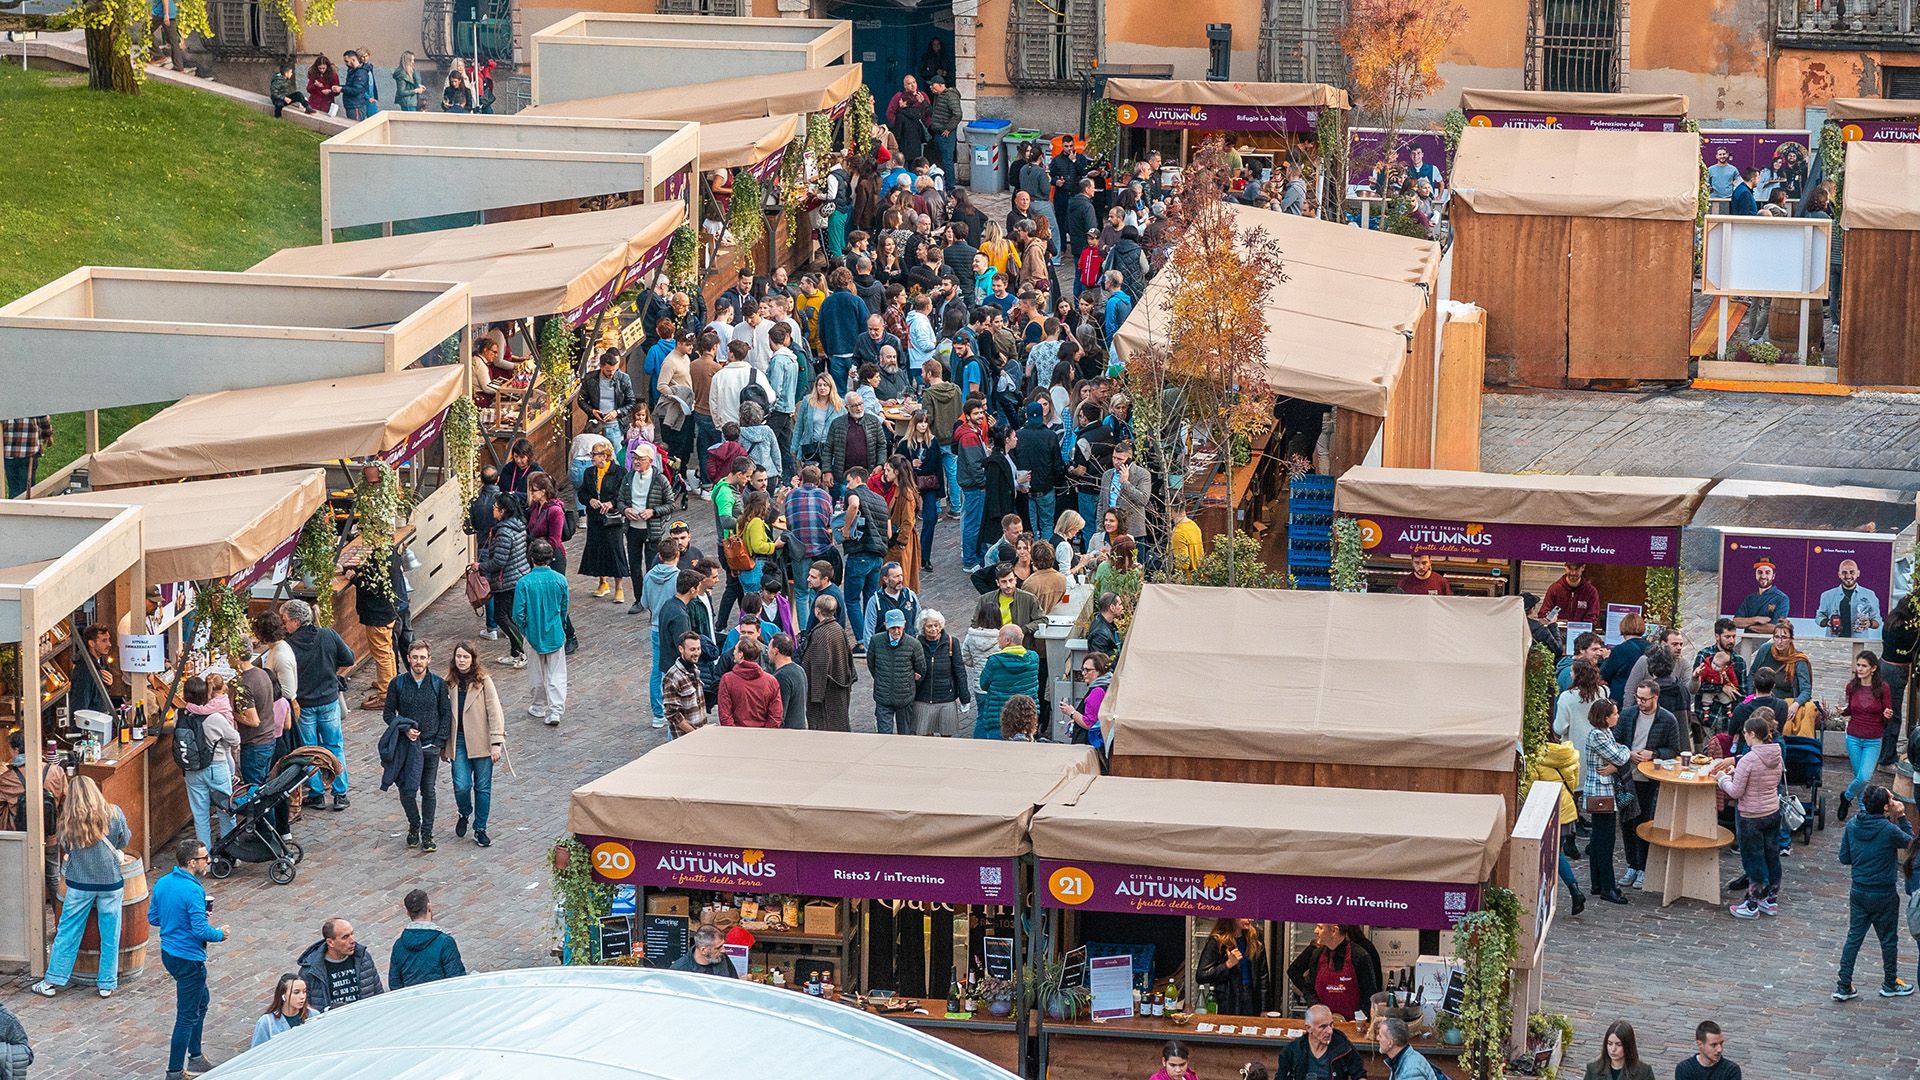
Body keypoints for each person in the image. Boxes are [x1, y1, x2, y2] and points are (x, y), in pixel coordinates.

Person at [31, 776, 131, 999]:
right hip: (110, 882)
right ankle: (106, 983)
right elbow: (124, 840)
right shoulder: (114, 812)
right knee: (110, 934)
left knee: (67, 931)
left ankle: (52, 981)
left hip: (79, 882)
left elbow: (66, 847)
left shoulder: (68, 820)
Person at [150, 839, 228, 1080]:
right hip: (188, 958)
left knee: (202, 1000)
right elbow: (201, 931)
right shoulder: (194, 890)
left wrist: (176, 919)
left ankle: (195, 1057)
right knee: (186, 1016)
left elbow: (154, 918)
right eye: (205, 858)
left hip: (169, 954)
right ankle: (175, 1071)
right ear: (192, 862)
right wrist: (221, 934)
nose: (209, 861)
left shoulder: (163, 883)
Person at [1835, 782, 1916, 1001]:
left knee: (1853, 939)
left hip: (1859, 891)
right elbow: (1912, 846)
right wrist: (1901, 817)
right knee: (1889, 940)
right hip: (1884, 893)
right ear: (1884, 808)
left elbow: (1844, 858)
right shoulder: (1889, 830)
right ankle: (1890, 983)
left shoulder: (1852, 826)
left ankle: (1844, 985)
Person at [281, 599, 355, 808]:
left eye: (285, 621)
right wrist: (331, 669)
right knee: (334, 747)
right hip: (329, 700)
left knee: (310, 750)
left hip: (304, 705)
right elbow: (349, 658)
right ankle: (340, 793)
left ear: (295, 622)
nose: (284, 625)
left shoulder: (288, 647)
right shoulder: (328, 635)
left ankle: (317, 792)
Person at [1711, 710, 1785, 918]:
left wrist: (1721, 778)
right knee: (1772, 856)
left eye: (1745, 732)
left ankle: (1752, 904)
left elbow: (1735, 791)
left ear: (1753, 734)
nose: (1743, 735)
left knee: (1753, 859)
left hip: (1751, 815)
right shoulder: (1776, 754)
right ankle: (1770, 900)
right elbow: (1770, 781)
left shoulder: (1748, 759)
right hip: (1772, 811)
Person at [383, 641, 451, 852]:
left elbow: (446, 714)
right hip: (406, 747)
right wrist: (404, 729)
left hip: (430, 746)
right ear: (409, 659)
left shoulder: (438, 684)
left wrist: (439, 742)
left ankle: (427, 833)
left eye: (422, 657)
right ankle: (414, 824)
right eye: (415, 657)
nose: (418, 661)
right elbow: (388, 713)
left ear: (429, 659)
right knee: (406, 791)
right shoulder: (398, 683)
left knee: (428, 790)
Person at [1616, 680, 1682, 889]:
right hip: (1627, 778)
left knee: (1645, 822)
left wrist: (1653, 754)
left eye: (1644, 699)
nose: (1640, 702)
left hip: (1649, 780)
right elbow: (1616, 740)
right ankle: (1632, 865)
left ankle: (1644, 867)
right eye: (1638, 698)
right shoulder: (1627, 715)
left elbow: (1674, 749)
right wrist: (1629, 752)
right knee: (1626, 821)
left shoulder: (1667, 719)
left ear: (1655, 698)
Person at [441, 642, 504, 848]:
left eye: (465, 657)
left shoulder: (483, 681)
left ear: (473, 659)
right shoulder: (448, 682)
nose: (461, 660)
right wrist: (443, 743)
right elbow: (442, 713)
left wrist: (496, 742)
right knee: (461, 785)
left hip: (481, 740)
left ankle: (480, 828)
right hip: (458, 740)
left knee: (483, 787)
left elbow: (495, 711)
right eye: (458, 656)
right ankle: (464, 812)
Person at [1581, 698, 1639, 905]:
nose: (1618, 716)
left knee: (1598, 839)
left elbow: (1617, 756)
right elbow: (1621, 755)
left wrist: (1618, 759)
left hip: (1602, 791)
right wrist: (1625, 752)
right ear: (1605, 717)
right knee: (1605, 841)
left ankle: (1598, 883)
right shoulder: (1598, 735)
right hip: (1601, 793)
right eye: (1614, 713)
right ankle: (1607, 886)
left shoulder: (1604, 733)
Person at [179, 676, 241, 850]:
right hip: (217, 767)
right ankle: (231, 851)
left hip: (192, 771)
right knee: (226, 812)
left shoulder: (180, 716)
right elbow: (235, 738)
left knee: (200, 816)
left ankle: (205, 856)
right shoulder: (215, 718)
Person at [1533, 723, 1587, 915]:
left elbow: (1529, 788)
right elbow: (1573, 781)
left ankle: (1568, 890)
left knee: (1552, 855)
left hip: (1549, 811)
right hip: (1568, 810)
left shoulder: (1535, 759)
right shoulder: (1568, 754)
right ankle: (1571, 890)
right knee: (1556, 853)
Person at [1839, 651, 1895, 821]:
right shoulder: (1852, 686)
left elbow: (1887, 711)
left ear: (1873, 668)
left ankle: (1846, 797)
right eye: (1858, 665)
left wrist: (1887, 714)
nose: (1860, 669)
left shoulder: (1883, 688)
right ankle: (1864, 811)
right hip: (1854, 736)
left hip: (1873, 738)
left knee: (1864, 776)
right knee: (1860, 778)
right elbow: (1850, 709)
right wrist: (1843, 711)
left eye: (1864, 666)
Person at [475, 497, 530, 669]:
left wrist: (480, 566)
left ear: (503, 511)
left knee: (501, 616)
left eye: (496, 507)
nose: (493, 509)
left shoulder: (504, 532)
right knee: (511, 615)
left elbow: (499, 561)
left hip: (507, 580)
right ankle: (515, 653)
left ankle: (522, 650)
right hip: (519, 575)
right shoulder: (519, 525)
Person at [1287, 924, 1380, 1019]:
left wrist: (1360, 1019)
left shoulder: (1359, 956)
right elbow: (1309, 989)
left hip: (1351, 1023)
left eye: (1320, 927)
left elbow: (1369, 995)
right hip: (1322, 1022)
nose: (1315, 931)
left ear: (1334, 931)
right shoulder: (1317, 955)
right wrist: (1315, 1007)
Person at [298, 917, 385, 1012]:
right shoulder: (310, 971)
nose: (352, 941)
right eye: (345, 937)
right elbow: (306, 1010)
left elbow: (379, 993)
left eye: (352, 934)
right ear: (330, 942)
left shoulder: (364, 958)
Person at [865, 608, 929, 735]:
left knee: (905, 736)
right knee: (884, 734)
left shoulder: (913, 644)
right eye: (893, 628)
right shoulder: (876, 641)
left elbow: (921, 669)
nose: (896, 631)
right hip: (883, 697)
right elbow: (871, 665)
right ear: (886, 626)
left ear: (904, 624)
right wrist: (882, 680)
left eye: (899, 627)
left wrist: (909, 682)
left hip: (905, 697)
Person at [799, 595, 858, 731]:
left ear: (817, 611)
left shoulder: (821, 634)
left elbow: (820, 666)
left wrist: (816, 698)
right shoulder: (838, 629)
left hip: (827, 698)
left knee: (825, 730)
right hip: (838, 691)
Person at [389, 888, 466, 988]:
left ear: (408, 913)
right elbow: (456, 980)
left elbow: (395, 985)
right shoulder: (445, 942)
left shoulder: (399, 946)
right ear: (429, 907)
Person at [974, 625, 1039, 740]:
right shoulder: (1033, 658)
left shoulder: (994, 661)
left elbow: (983, 685)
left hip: (998, 717)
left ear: (1007, 640)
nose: (997, 639)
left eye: (999, 636)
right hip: (1026, 718)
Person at [1196, 917, 1267, 1016]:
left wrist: (1264, 1008)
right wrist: (1228, 964)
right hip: (1227, 999)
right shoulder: (1218, 940)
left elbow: (1262, 974)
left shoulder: (1256, 936)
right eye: (1245, 915)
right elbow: (1201, 975)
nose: (1250, 919)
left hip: (1251, 997)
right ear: (1232, 917)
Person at [1277, 1004, 1365, 1080]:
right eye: (1323, 1027)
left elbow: (1360, 1075)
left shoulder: (1343, 1046)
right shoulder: (1292, 1051)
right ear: (1309, 1028)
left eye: (1331, 1025)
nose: (1330, 1031)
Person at [718, 638, 783, 728]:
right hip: (763, 736)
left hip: (736, 736)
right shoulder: (771, 681)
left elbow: (725, 715)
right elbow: (776, 715)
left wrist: (732, 732)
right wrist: (767, 733)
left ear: (741, 654)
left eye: (735, 649)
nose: (733, 652)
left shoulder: (727, 680)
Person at [1817, 558, 1885, 639]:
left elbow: (1878, 620)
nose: (1848, 576)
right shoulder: (1826, 595)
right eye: (1844, 572)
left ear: (1858, 573)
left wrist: (1869, 623)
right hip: (1833, 644)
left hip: (1859, 644)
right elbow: (1819, 617)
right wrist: (1827, 622)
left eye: (1852, 572)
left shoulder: (1870, 595)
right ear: (1839, 574)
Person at [1099, 439, 1150, 539]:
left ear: (1129, 459)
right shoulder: (1107, 475)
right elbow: (1101, 503)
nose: (1115, 462)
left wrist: (1125, 483)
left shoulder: (1142, 474)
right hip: (1110, 531)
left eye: (1120, 459)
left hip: (1132, 531)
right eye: (1114, 458)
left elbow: (1143, 500)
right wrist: (1100, 528)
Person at [250, 973, 311, 1047]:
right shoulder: (266, 1022)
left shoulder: (313, 1015)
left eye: (304, 992)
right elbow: (257, 1052)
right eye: (296, 992)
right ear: (283, 995)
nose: (302, 996)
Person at [1581, 1020, 1653, 1080]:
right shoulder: (1593, 1069)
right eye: (1610, 1044)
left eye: (1619, 1045)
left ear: (1628, 1045)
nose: (1613, 1049)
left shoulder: (1644, 1072)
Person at [1674, 1020, 1741, 1080]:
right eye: (1714, 1045)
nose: (1720, 1049)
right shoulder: (1685, 1069)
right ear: (1700, 1044)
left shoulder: (1731, 1070)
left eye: (1721, 1043)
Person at [1376, 1018, 1440, 1080]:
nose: (1377, 1038)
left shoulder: (1410, 1071)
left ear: (1390, 1043)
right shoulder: (1401, 1059)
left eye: (1380, 1036)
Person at [768, 633, 808, 731]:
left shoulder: (782, 677)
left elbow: (779, 712)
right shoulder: (799, 669)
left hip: (788, 732)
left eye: (769, 648)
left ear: (775, 651)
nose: (767, 652)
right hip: (800, 727)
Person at [672, 924, 738, 977]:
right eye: (718, 948)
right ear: (703, 950)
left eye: (722, 945)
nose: (723, 950)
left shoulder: (721, 956)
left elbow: (734, 983)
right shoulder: (680, 970)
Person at [1087, 591, 1123, 658]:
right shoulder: (1100, 634)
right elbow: (1099, 662)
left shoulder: (1104, 621)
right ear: (1112, 607)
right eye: (1120, 604)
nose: (1122, 607)